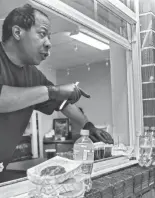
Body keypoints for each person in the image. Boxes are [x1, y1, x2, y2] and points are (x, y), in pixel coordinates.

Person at [0, 4, 113, 182]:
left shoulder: (32, 74)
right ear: (17, 32)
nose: (49, 43)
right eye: (42, 33)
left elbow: (64, 104)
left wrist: (88, 127)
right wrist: (54, 90)